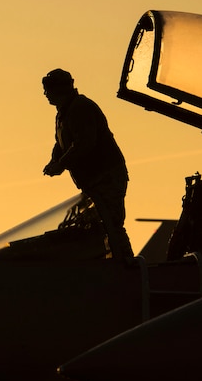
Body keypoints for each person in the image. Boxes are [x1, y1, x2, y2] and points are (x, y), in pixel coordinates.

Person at [41, 68, 135, 262]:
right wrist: (54, 161)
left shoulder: (81, 108)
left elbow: (85, 143)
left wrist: (61, 165)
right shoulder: (63, 113)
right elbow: (60, 144)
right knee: (94, 226)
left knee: (111, 224)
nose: (45, 94)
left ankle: (126, 266)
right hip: (92, 181)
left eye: (48, 89)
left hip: (106, 177)